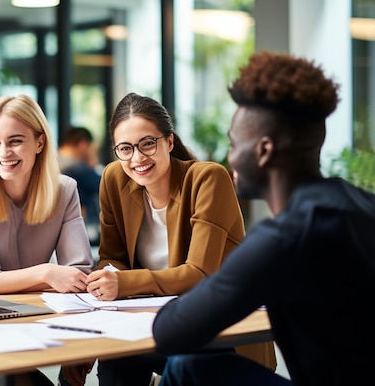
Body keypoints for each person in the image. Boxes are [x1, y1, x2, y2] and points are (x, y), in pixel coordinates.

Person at [152, 51, 375, 386]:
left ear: (263, 150)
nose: (230, 158)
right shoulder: (363, 205)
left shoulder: (286, 236)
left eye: (233, 143)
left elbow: (170, 331)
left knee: (187, 366)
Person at [61, 91, 254, 386]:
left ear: (169, 141)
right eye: (125, 148)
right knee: (114, 353)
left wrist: (123, 284)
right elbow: (112, 259)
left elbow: (200, 274)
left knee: (181, 363)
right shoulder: (114, 179)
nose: (137, 158)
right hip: (148, 323)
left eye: (147, 144)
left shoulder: (207, 179)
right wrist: (93, 332)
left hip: (216, 331)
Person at [0, 95, 94, 296]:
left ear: (40, 143)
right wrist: (46, 274)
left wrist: (3, 282)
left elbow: (78, 274)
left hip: (43, 310)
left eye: (15, 141)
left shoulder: (64, 190)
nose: (4, 152)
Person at [58, 126, 101, 245]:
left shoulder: (53, 160)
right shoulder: (75, 167)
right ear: (83, 145)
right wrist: (93, 162)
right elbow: (107, 186)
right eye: (92, 149)